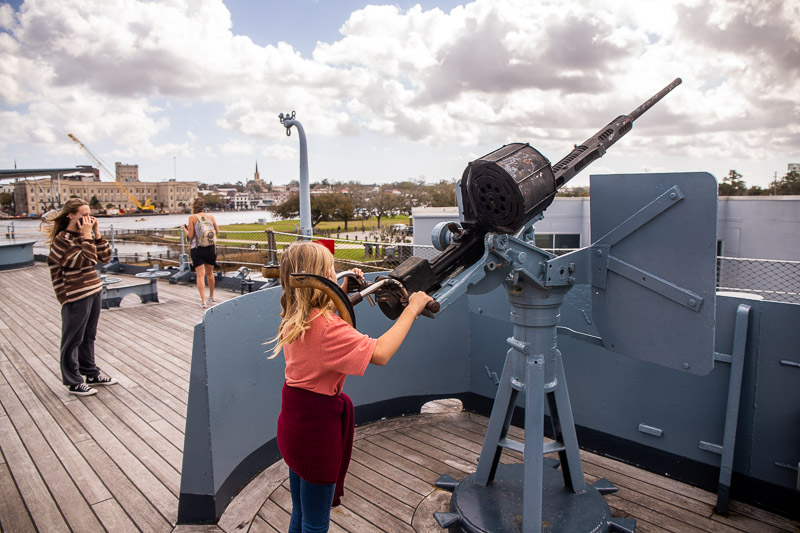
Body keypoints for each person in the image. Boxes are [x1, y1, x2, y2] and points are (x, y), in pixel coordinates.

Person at [270, 241, 433, 533]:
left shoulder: (295, 317)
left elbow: (324, 316)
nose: (335, 274)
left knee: (301, 511)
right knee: (316, 523)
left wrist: (343, 290)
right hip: (317, 432)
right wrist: (413, 308)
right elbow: (381, 353)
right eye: (331, 272)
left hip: (294, 424)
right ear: (320, 279)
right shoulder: (328, 329)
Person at [45, 198, 118, 397]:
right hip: (75, 294)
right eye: (84, 215)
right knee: (72, 338)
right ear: (71, 216)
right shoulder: (63, 240)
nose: (88, 218)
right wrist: (87, 235)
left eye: (90, 214)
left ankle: (91, 373)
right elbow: (87, 259)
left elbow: (105, 257)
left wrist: (96, 234)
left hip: (93, 289)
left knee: (88, 336)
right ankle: (73, 381)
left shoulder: (84, 235)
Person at [182, 197, 219, 308]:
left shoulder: (192, 218)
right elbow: (216, 231)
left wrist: (184, 228)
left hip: (197, 248)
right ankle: (211, 296)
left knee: (200, 275)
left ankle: (203, 300)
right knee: (210, 273)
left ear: (194, 206)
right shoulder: (211, 217)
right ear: (204, 206)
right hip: (211, 248)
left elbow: (190, 235)